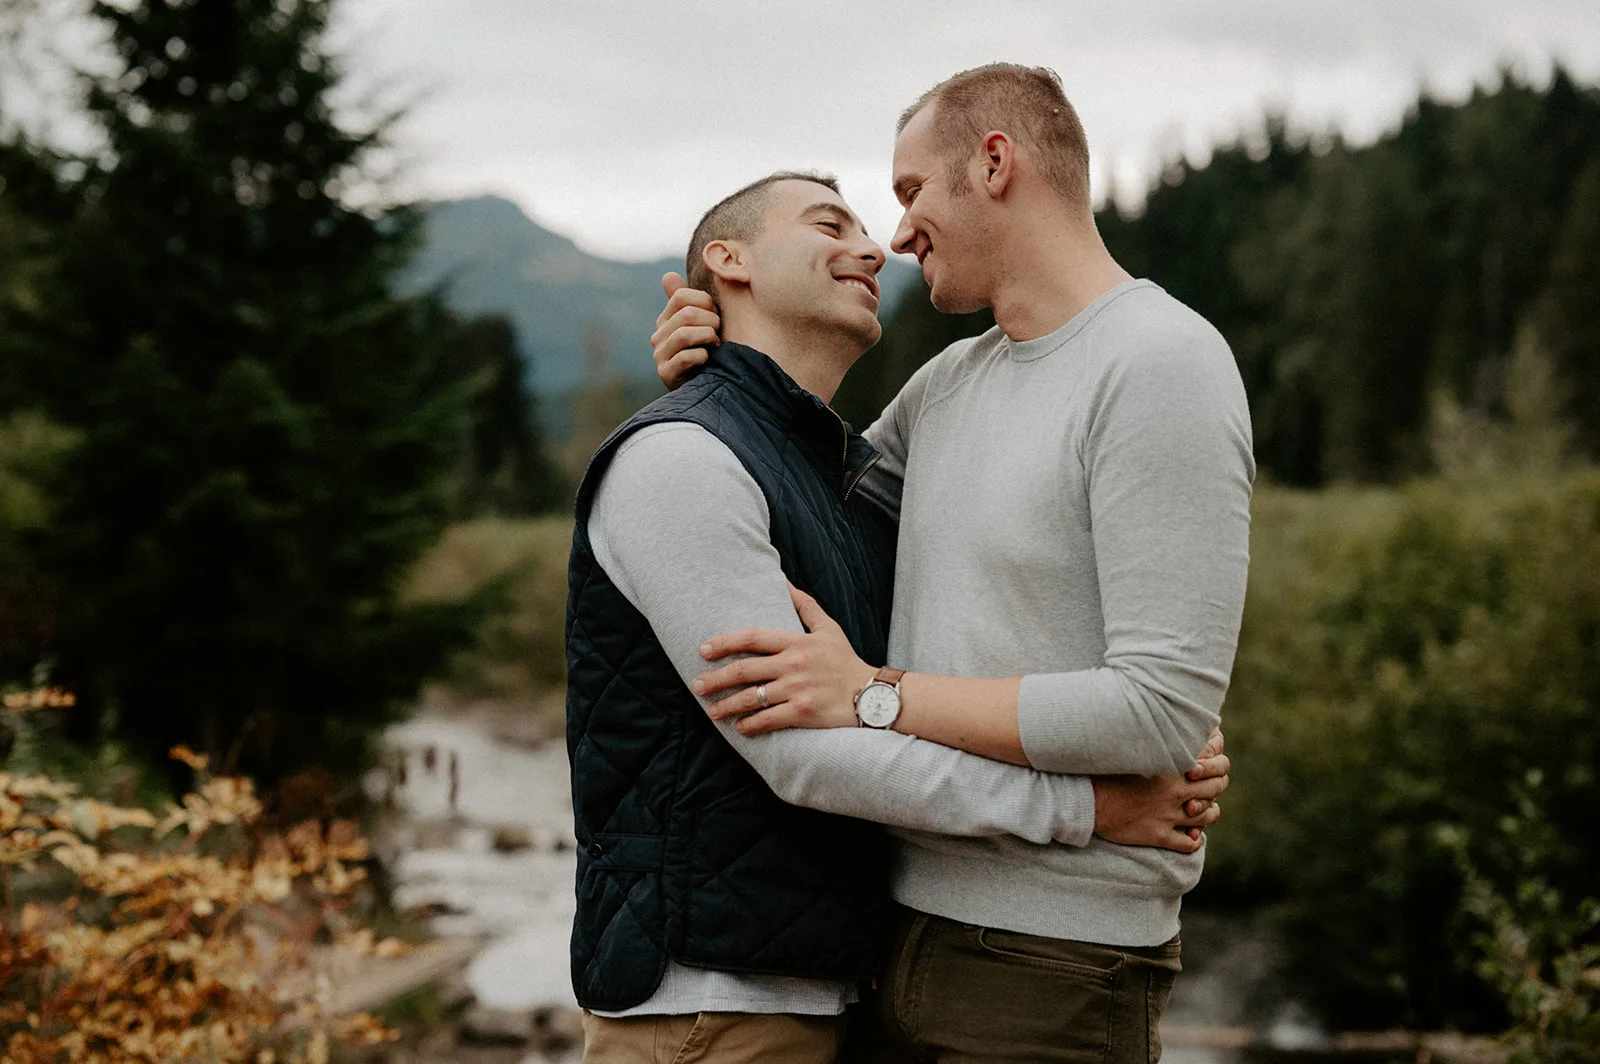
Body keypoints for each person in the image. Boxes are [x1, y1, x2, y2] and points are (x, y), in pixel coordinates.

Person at [649, 64, 1255, 1062]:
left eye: (908, 192)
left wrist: (873, 693)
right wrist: (715, 374)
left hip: (1054, 967)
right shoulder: (946, 385)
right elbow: (802, 513)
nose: (894, 237)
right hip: (891, 937)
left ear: (995, 162)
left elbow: (1155, 712)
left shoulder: (1160, 362)